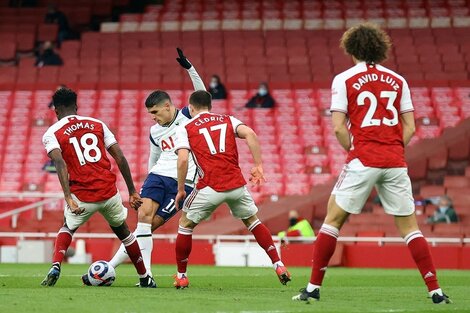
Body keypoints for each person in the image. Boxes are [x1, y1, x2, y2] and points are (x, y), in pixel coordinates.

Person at [292, 23, 451, 304]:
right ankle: (436, 292)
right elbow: (410, 127)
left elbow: (339, 127)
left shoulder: (344, 79)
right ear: (380, 48)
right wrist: (391, 148)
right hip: (394, 160)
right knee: (410, 228)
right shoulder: (398, 80)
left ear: (350, 48)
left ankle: (313, 289)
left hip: (363, 158)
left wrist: (355, 148)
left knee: (333, 221)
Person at [173, 90, 290, 289]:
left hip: (209, 186)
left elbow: (183, 159)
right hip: (236, 184)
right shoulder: (228, 119)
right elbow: (250, 134)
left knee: (185, 225)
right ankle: (278, 265)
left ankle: (181, 276)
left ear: (191, 107)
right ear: (210, 106)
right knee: (253, 222)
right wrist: (258, 165)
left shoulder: (185, 127)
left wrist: (181, 190)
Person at [40, 87, 156, 288]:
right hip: (109, 193)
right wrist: (132, 191)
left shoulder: (52, 133)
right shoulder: (97, 124)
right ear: (76, 107)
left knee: (68, 227)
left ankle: (56, 265)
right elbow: (119, 156)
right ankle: (145, 277)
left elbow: (59, 163)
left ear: (56, 111)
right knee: (125, 234)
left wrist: (68, 197)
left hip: (83, 196)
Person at [107, 48, 205, 281]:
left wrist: (190, 69)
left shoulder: (187, 116)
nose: (153, 116)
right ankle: (146, 274)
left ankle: (111, 265)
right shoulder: (154, 131)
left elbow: (201, 94)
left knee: (150, 227)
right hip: (158, 176)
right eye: (150, 113)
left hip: (184, 182)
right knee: (143, 219)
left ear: (169, 106)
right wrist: (146, 183)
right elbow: (154, 158)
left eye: (155, 112)